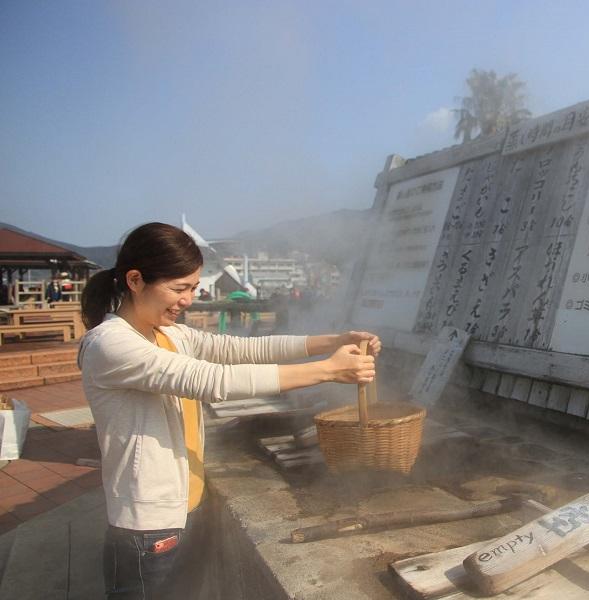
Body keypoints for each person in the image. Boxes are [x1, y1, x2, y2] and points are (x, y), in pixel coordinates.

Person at [78, 222, 379, 599]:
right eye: (179, 288)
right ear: (136, 280)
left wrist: (335, 340)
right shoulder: (110, 344)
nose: (188, 299)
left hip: (188, 505)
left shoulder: (169, 334)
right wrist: (328, 370)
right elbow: (212, 380)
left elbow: (242, 350)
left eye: (193, 288)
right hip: (148, 528)